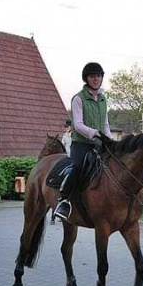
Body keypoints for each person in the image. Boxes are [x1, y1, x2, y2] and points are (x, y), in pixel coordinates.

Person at [54, 62, 113, 221]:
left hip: (100, 143)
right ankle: (64, 201)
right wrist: (95, 133)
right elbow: (78, 125)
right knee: (77, 167)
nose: (96, 79)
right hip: (81, 144)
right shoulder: (78, 99)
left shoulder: (103, 99)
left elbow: (105, 124)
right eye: (92, 76)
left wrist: (112, 140)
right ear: (86, 78)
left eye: (98, 76)